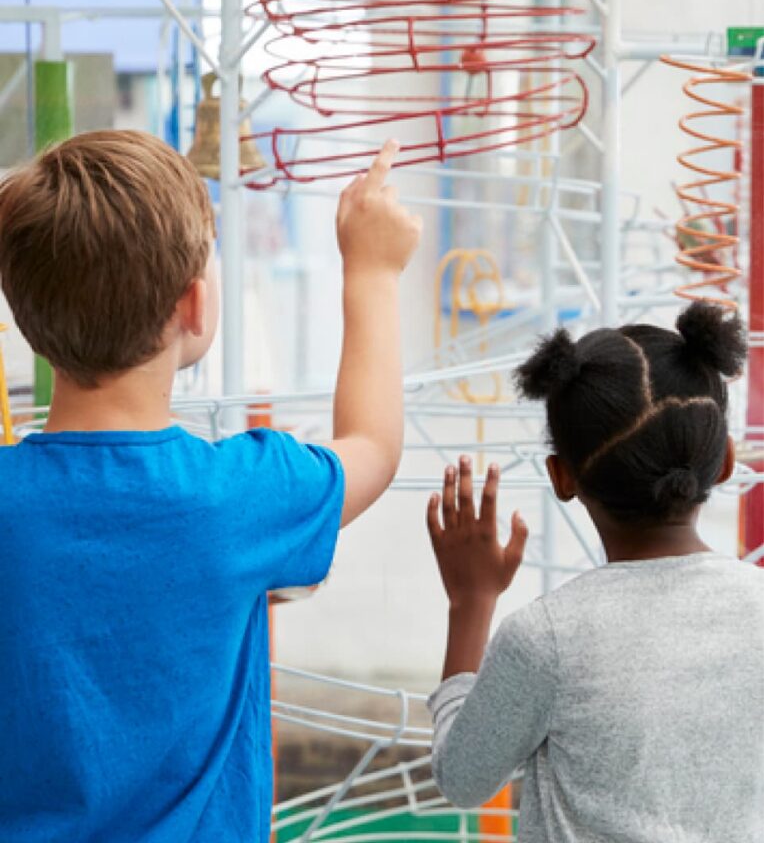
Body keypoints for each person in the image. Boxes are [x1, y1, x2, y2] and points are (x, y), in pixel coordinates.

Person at [0, 131, 421, 842]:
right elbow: (373, 447)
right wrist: (372, 273)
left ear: (25, 314)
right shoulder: (239, 496)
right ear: (194, 306)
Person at [426, 304, 763, 843]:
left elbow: (463, 779)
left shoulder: (546, 640)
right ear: (724, 460)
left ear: (561, 476)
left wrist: (471, 602)